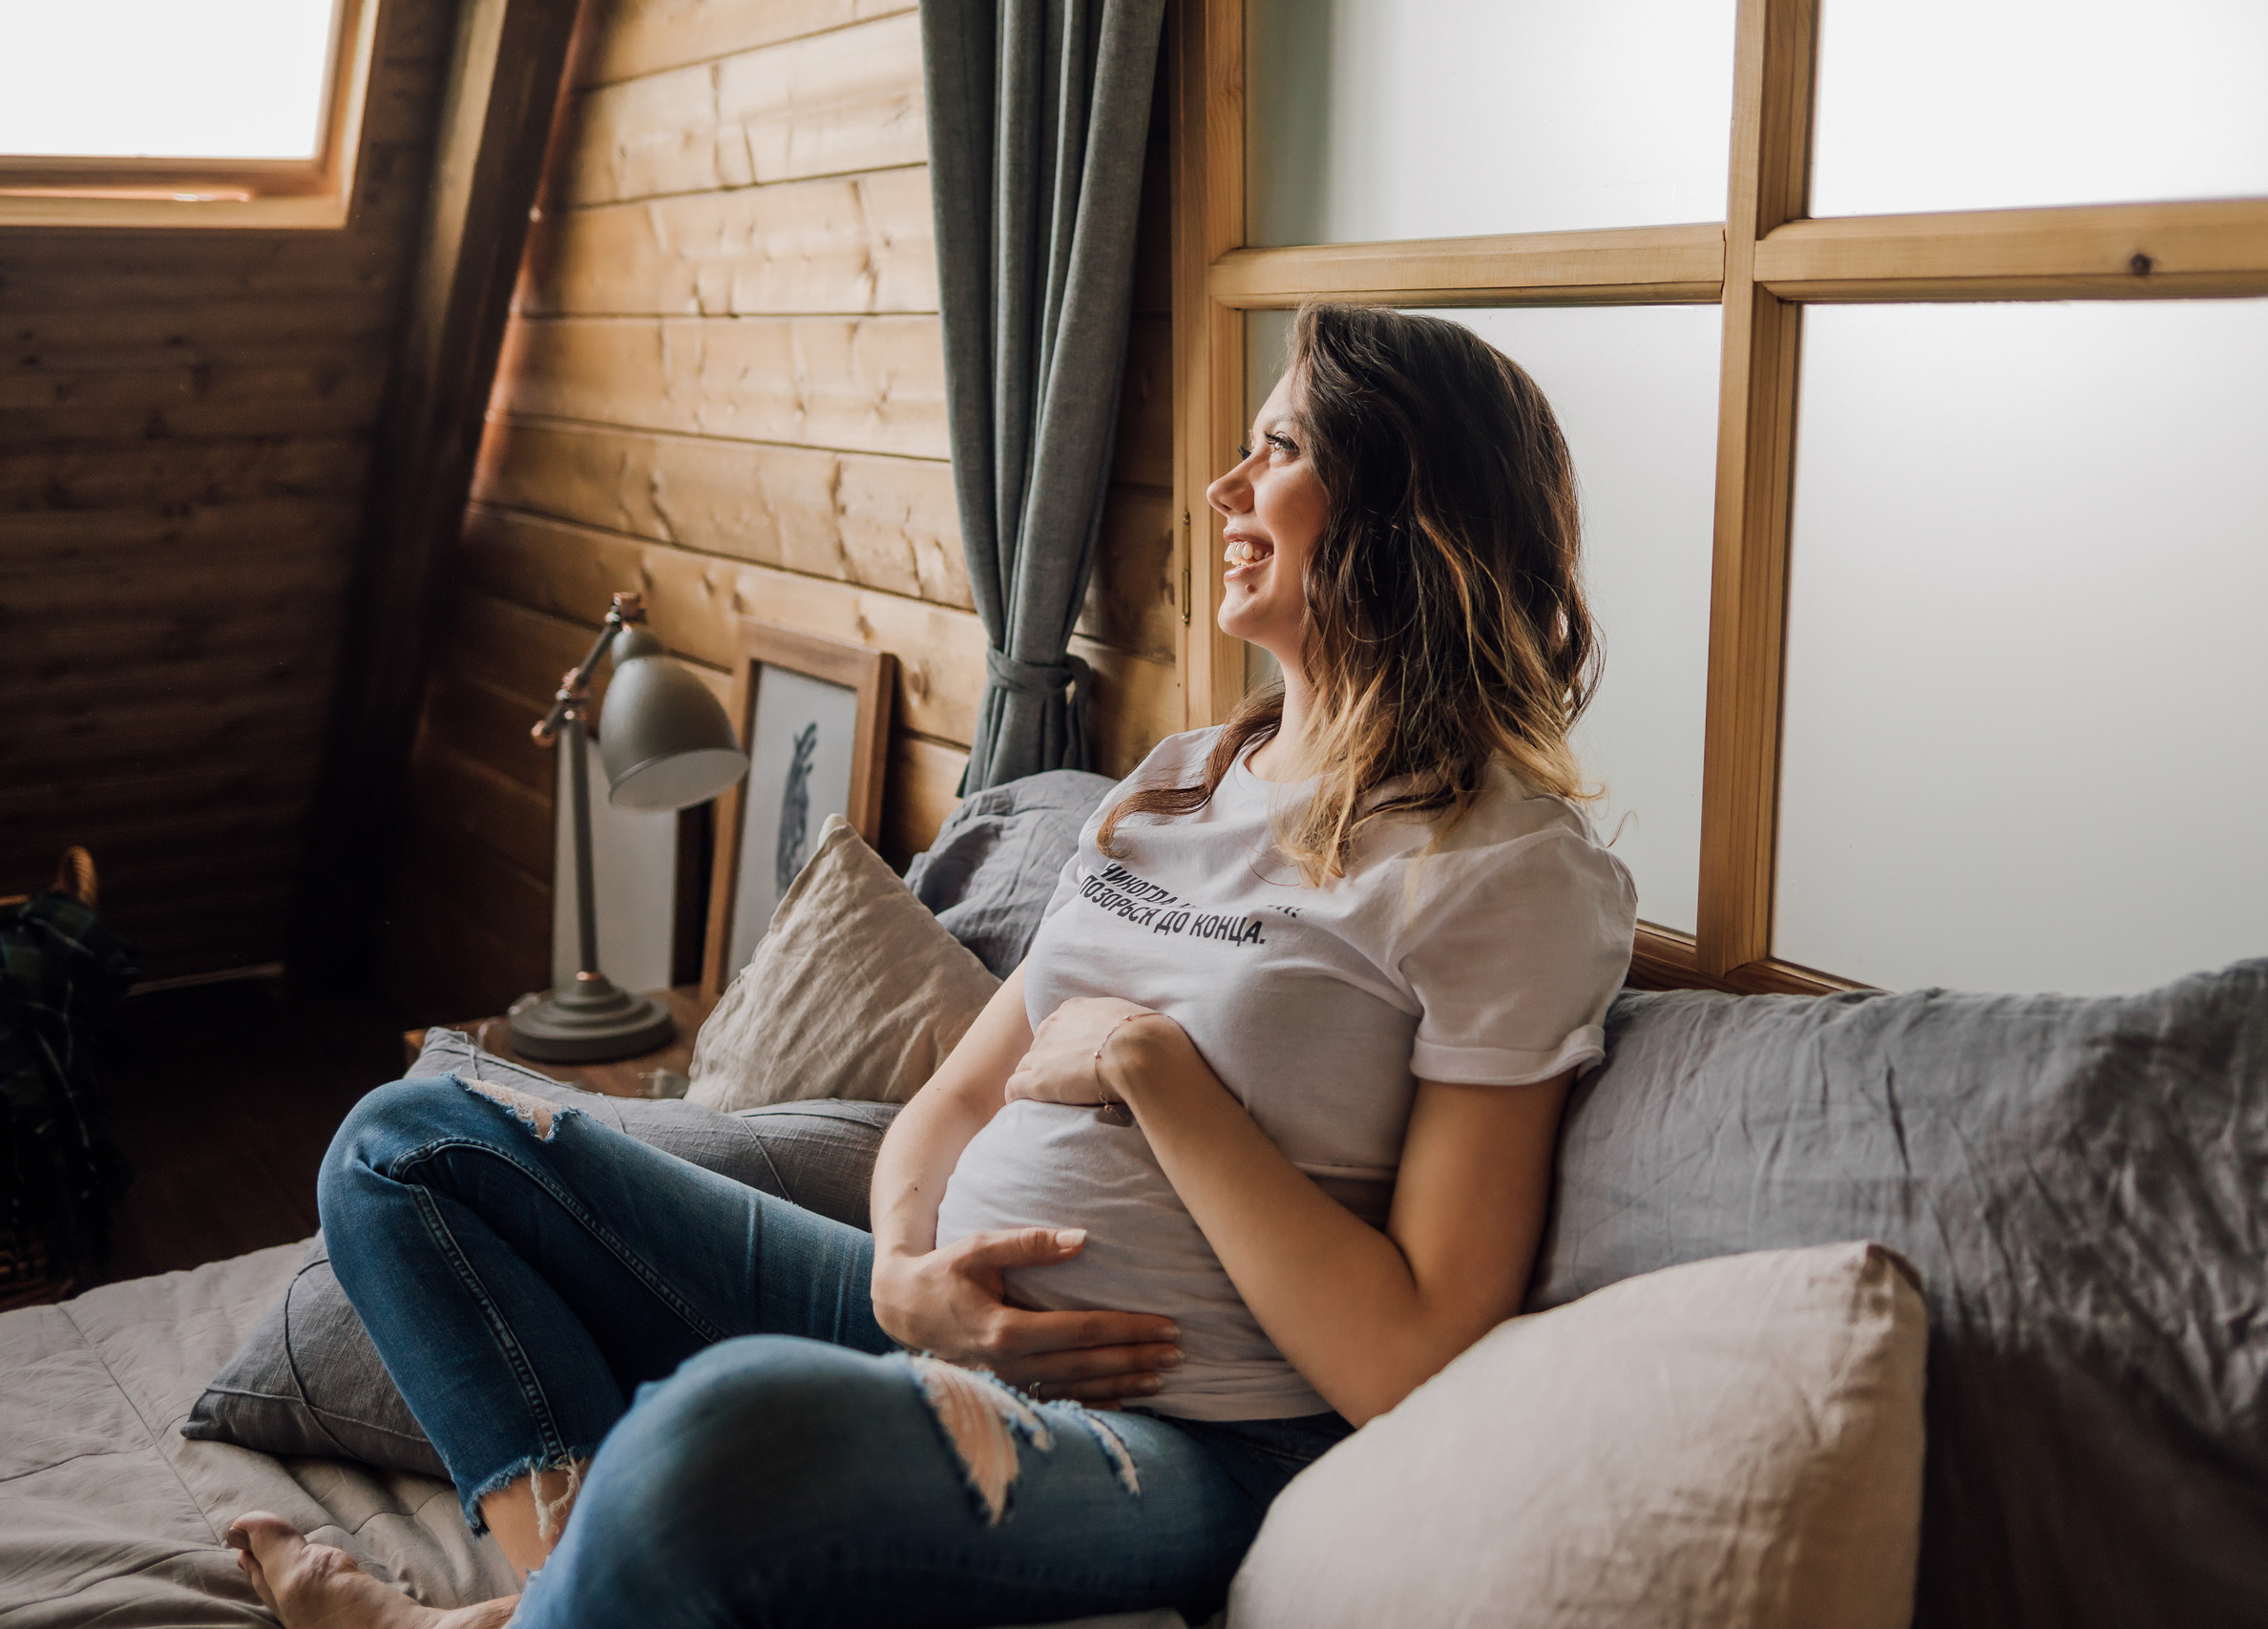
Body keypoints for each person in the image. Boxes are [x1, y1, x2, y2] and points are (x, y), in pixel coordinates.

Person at [229, 303, 1638, 1629]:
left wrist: (1159, 1075)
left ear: (1408, 517)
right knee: (403, 1140)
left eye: (1279, 450)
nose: (1224, 488)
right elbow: (952, 1108)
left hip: (1188, 1432)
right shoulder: (1182, 780)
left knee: (719, 1431)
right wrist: (907, 1272)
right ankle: (557, 1600)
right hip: (931, 1319)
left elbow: (1408, 1363)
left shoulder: (1505, 872)